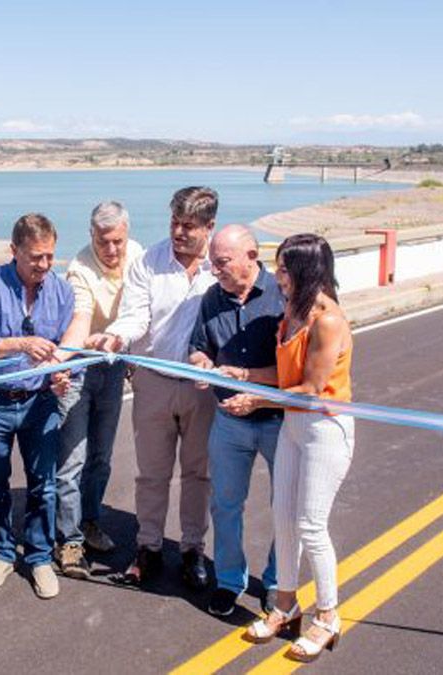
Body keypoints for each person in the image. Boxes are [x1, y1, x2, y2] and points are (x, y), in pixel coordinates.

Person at [220, 233, 354, 662]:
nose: (276, 275)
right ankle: (285, 605)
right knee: (284, 519)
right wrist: (243, 374)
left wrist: (256, 400)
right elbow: (283, 378)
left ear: (305, 272)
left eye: (283, 268)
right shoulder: (291, 314)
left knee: (312, 526)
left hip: (323, 429)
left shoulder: (327, 319)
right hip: (293, 426)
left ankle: (328, 616)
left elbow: (313, 390)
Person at [88, 186, 218, 590]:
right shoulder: (148, 263)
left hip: (203, 389)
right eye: (174, 223)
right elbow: (134, 316)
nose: (178, 232)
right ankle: (148, 548)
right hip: (154, 384)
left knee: (199, 473)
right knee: (152, 474)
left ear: (209, 227)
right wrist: (115, 338)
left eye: (189, 226)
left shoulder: (223, 263)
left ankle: (193, 550)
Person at [0, 213, 76, 600]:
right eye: (35, 258)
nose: (43, 266)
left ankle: (41, 557)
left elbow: (63, 350)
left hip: (40, 402)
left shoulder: (61, 292)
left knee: (43, 485)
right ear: (14, 251)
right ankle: (1, 554)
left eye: (49, 257)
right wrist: (21, 344)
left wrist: (61, 376)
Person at [187, 224, 284, 617]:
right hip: (229, 422)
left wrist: (252, 388)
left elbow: (298, 370)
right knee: (226, 505)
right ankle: (229, 580)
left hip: (278, 420)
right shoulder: (212, 299)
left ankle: (279, 583)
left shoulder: (283, 295)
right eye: (212, 262)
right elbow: (198, 347)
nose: (214, 270)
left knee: (286, 507)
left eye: (222, 262)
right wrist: (201, 363)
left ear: (251, 255)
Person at [54, 201, 143, 578]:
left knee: (101, 457)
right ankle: (68, 540)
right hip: (80, 367)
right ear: (91, 236)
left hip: (114, 364)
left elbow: (144, 310)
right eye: (103, 242)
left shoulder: (138, 256)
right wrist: (62, 360)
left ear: (127, 234)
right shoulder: (79, 269)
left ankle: (90, 521)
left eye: (117, 241)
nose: (111, 251)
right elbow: (80, 319)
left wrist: (133, 354)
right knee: (71, 460)